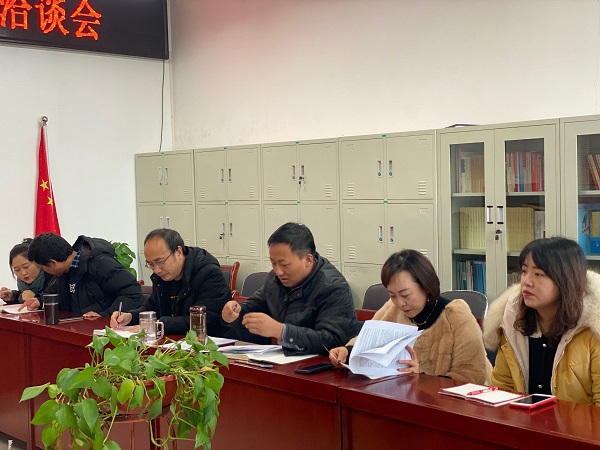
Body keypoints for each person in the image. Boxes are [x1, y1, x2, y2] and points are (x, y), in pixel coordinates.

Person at [329, 250, 490, 384]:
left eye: (405, 295)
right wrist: (347, 352)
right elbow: (368, 340)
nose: (400, 303)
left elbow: (474, 375)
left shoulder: (455, 316)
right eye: (392, 295)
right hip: (400, 396)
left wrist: (422, 378)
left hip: (448, 405)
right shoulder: (393, 308)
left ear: (426, 286)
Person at [483, 237, 600, 405]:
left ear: (565, 279)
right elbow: (502, 389)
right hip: (524, 420)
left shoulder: (593, 327)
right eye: (524, 271)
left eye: (538, 274)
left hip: (579, 422)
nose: (526, 282)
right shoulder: (513, 319)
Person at [221, 222, 358, 355]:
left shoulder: (333, 287)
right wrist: (236, 312)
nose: (278, 271)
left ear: (308, 260)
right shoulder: (275, 279)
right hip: (286, 360)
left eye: (284, 264)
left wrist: (281, 331)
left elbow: (331, 341)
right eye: (273, 263)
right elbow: (256, 305)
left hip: (326, 365)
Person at [110, 228, 231, 335]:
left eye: (160, 262)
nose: (156, 270)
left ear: (178, 252)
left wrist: (157, 325)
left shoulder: (208, 273)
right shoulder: (163, 277)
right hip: (175, 342)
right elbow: (152, 307)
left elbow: (205, 320)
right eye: (151, 264)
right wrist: (130, 317)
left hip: (209, 343)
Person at [27, 233, 144, 317]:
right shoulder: (64, 272)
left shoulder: (100, 264)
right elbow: (61, 296)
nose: (45, 271)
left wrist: (105, 315)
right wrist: (40, 301)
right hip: (79, 328)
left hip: (105, 331)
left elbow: (132, 293)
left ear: (53, 263)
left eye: (43, 267)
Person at [0, 239, 56, 310]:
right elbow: (23, 295)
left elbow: (58, 299)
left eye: (26, 267)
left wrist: (36, 298)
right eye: (17, 270)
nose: (23, 273)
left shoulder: (53, 276)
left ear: (38, 262)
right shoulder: (22, 283)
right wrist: (13, 296)